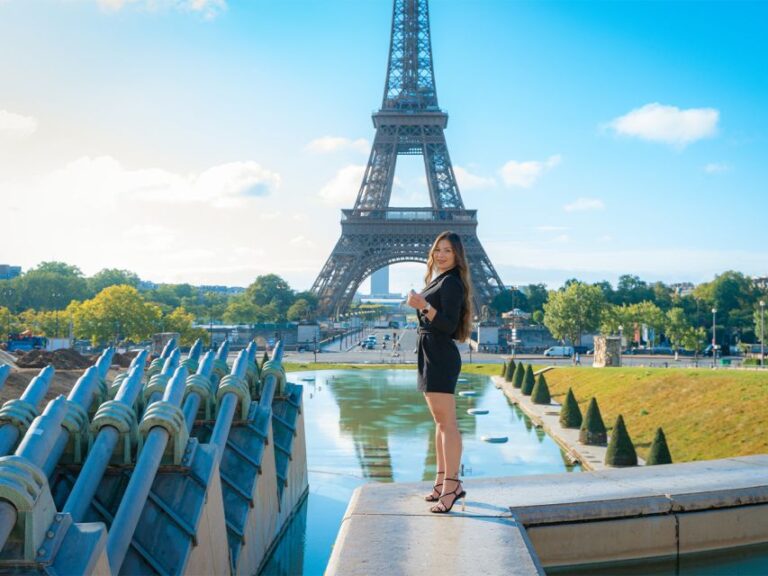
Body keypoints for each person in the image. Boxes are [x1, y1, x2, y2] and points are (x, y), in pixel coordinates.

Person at [406, 231, 472, 513]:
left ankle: (453, 485)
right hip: (429, 351)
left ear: (457, 255)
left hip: (440, 353)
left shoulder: (452, 282)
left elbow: (448, 326)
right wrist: (421, 306)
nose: (441, 255)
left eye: (448, 251)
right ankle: (441, 481)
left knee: (448, 424)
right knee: (439, 422)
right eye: (437, 250)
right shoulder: (439, 280)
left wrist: (424, 306)